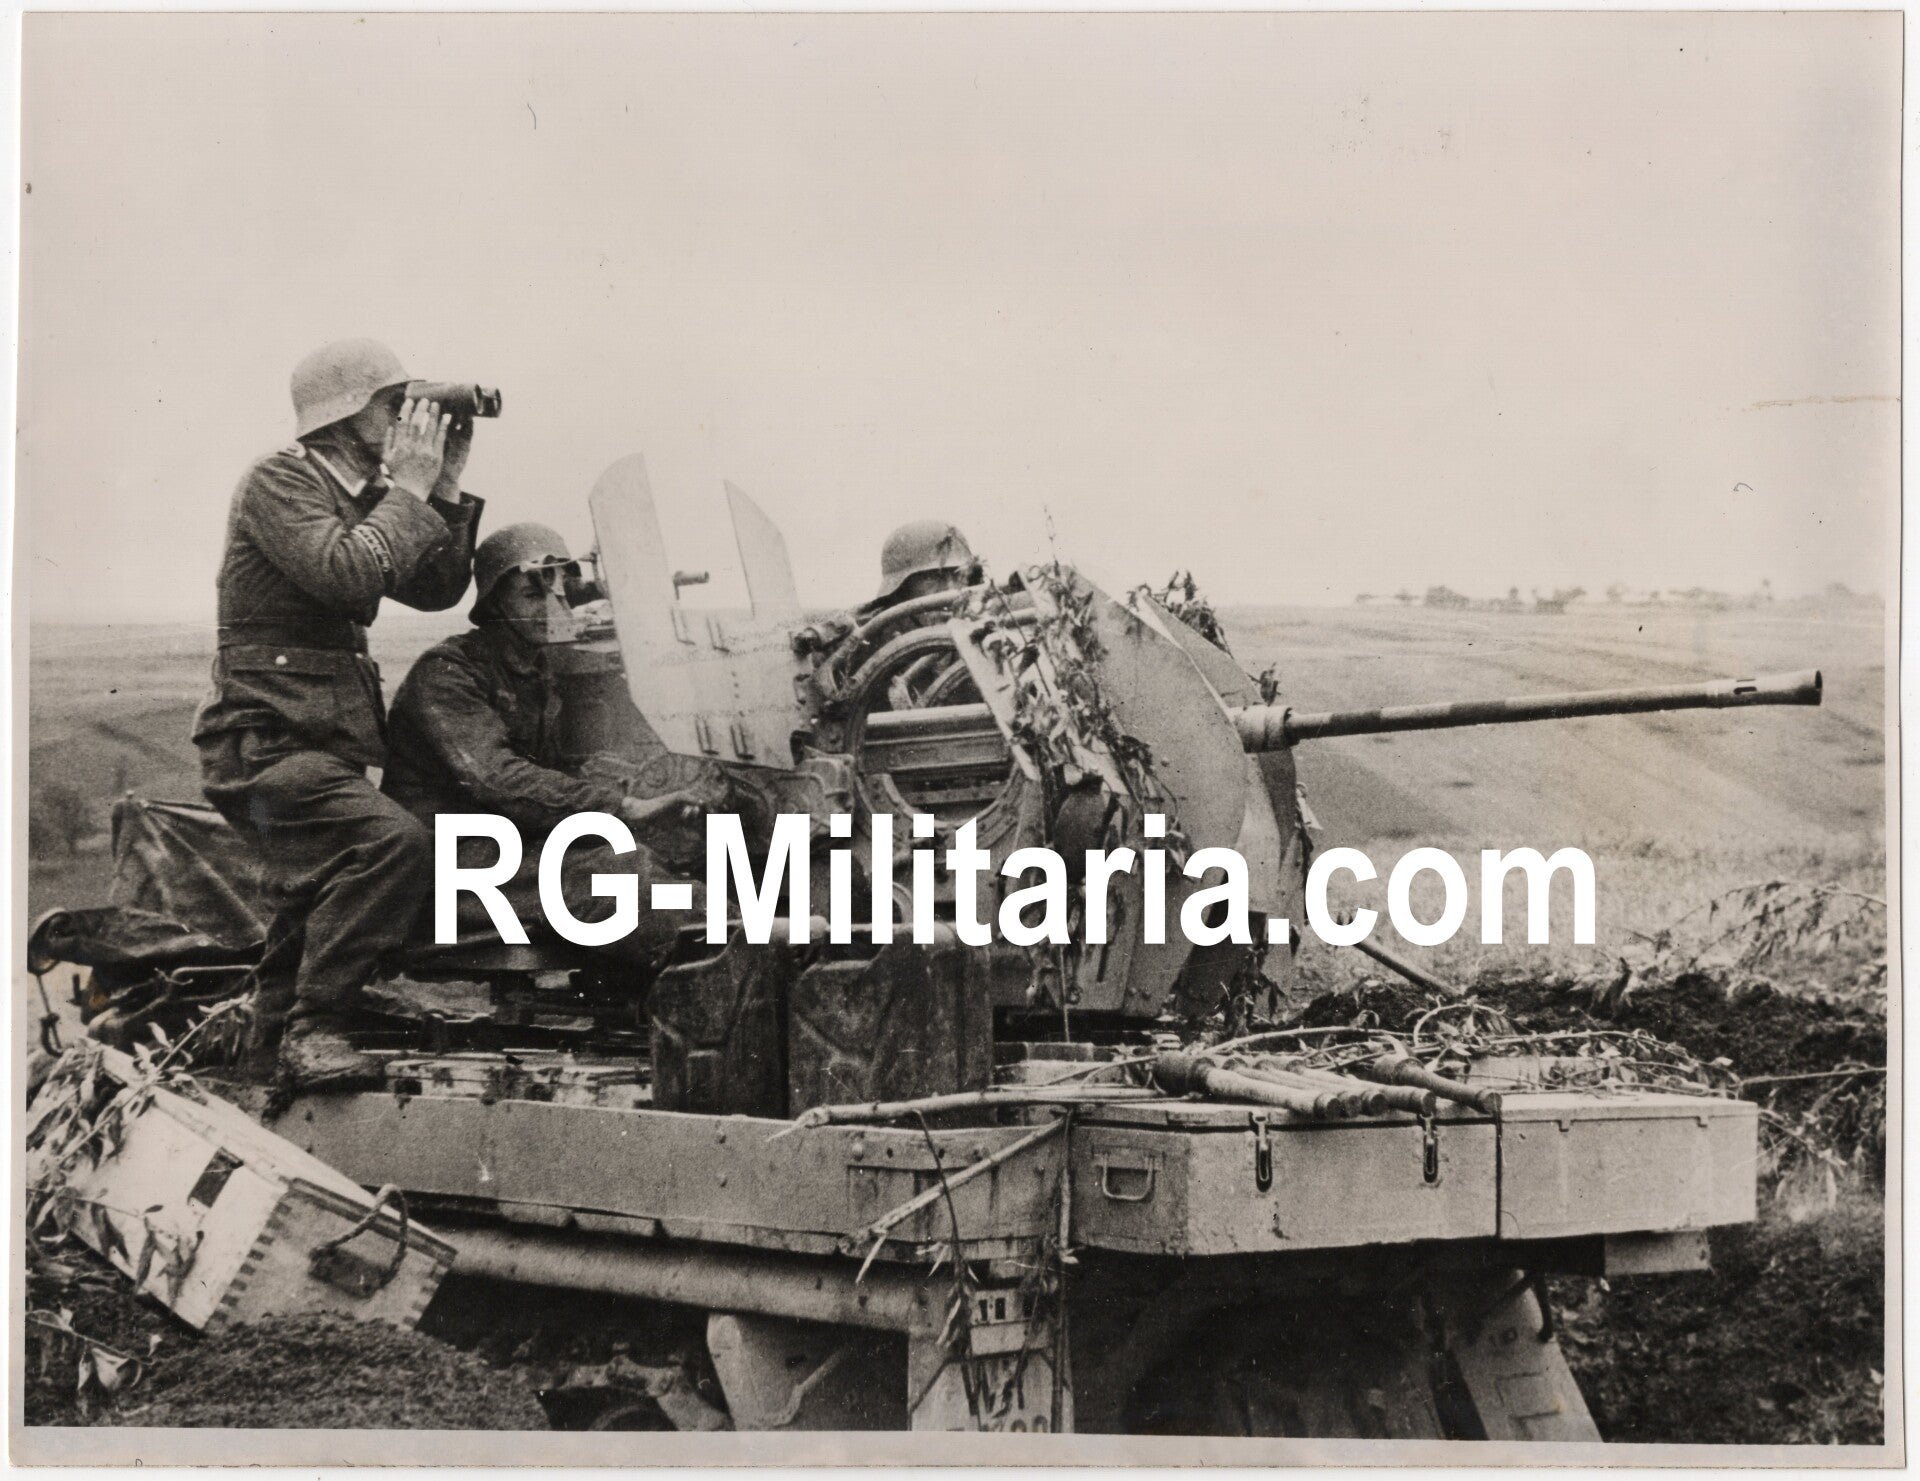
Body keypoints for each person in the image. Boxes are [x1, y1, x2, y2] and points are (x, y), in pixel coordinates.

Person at [192, 339, 484, 1088]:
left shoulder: (361, 499)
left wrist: (444, 484)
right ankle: (314, 1033)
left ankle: (264, 1060)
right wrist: (411, 491)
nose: (412, 420)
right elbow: (349, 573)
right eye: (396, 404)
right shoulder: (280, 482)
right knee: (394, 844)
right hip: (263, 745)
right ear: (344, 414)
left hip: (319, 744)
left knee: (309, 903)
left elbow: (436, 586)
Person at [382, 523, 707, 965]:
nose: (552, 608)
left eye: (560, 594)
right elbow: (497, 779)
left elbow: (563, 769)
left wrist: (640, 790)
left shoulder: (538, 669)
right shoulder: (449, 674)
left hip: (512, 847)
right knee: (623, 878)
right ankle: (747, 952)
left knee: (677, 853)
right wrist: (622, 807)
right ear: (496, 604)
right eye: (532, 596)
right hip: (449, 863)